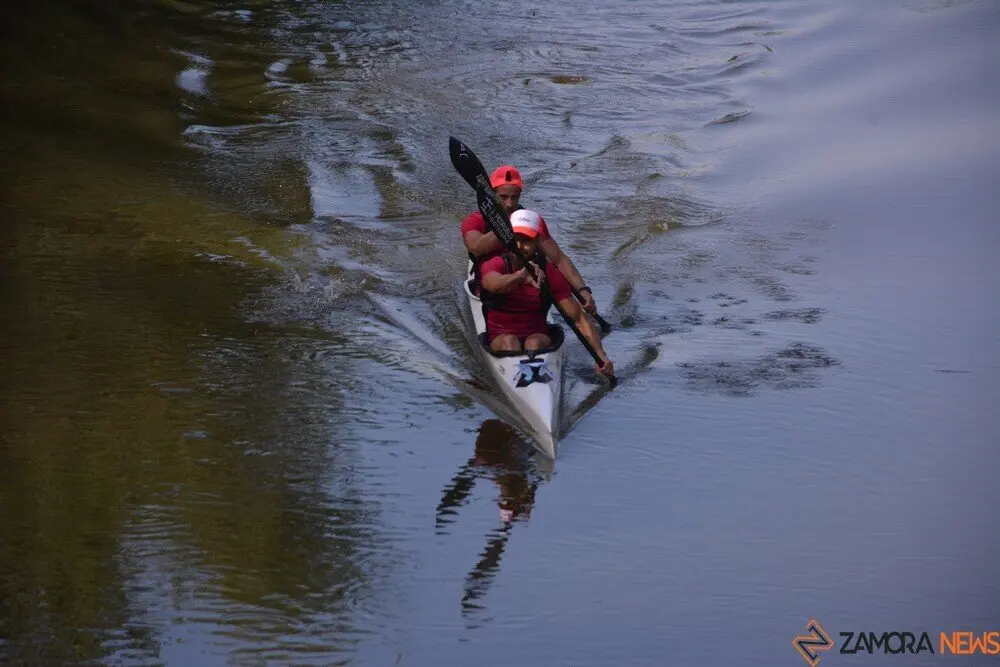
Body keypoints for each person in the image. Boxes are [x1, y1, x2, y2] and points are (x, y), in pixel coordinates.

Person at [480, 209, 614, 378]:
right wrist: (521, 276)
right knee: (510, 341)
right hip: (501, 339)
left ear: (537, 241)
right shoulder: (494, 264)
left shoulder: (550, 272)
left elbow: (579, 320)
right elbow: (493, 285)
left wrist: (601, 356)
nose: (521, 246)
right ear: (509, 240)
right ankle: (522, 381)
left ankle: (532, 382)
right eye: (517, 239)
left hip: (537, 338)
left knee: (533, 342)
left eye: (527, 240)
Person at [461, 164, 598, 315]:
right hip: (491, 286)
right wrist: (508, 225)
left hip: (526, 283)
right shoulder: (475, 220)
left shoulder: (530, 222)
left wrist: (582, 290)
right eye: (503, 197)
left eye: (515, 197)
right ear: (493, 195)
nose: (510, 204)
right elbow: (475, 247)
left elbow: (558, 259)